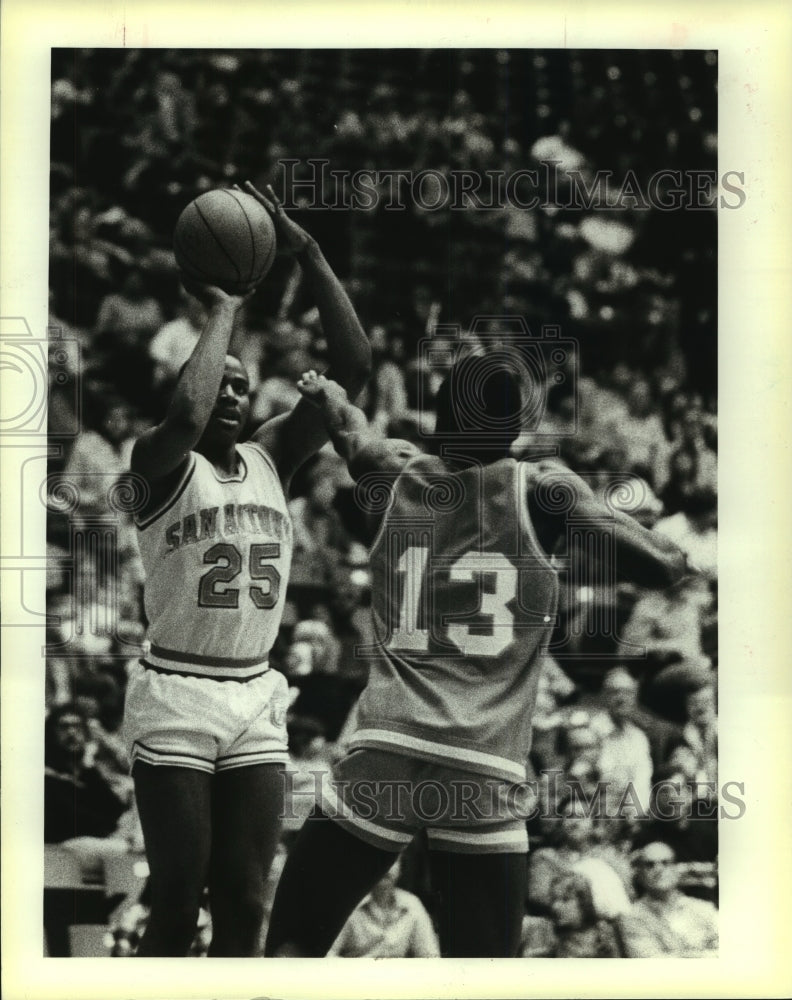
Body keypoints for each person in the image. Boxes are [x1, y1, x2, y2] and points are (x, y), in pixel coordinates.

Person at [264, 358, 694, 958]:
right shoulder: (542, 490)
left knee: (290, 950)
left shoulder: (394, 470)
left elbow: (351, 431)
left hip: (389, 744)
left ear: (439, 422)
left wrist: (328, 393)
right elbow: (667, 565)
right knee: (482, 976)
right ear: (515, 427)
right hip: (484, 763)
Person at [122, 183, 371, 957]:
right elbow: (187, 417)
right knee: (177, 899)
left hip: (255, 690)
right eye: (219, 380)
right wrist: (225, 307)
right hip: (178, 691)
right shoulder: (155, 463)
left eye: (242, 384)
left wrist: (310, 254)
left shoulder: (272, 457)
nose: (231, 393)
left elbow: (354, 370)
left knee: (246, 897)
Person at [618, 842, 718, 956]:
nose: (659, 869)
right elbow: (651, 961)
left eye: (665, 863)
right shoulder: (632, 917)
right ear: (640, 875)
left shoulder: (703, 909)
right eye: (650, 865)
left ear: (676, 870)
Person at [327, 858, 440, 957]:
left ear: (401, 868)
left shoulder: (412, 904)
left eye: (393, 859)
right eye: (380, 859)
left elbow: (430, 956)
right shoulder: (350, 904)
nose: (387, 865)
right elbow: (327, 955)